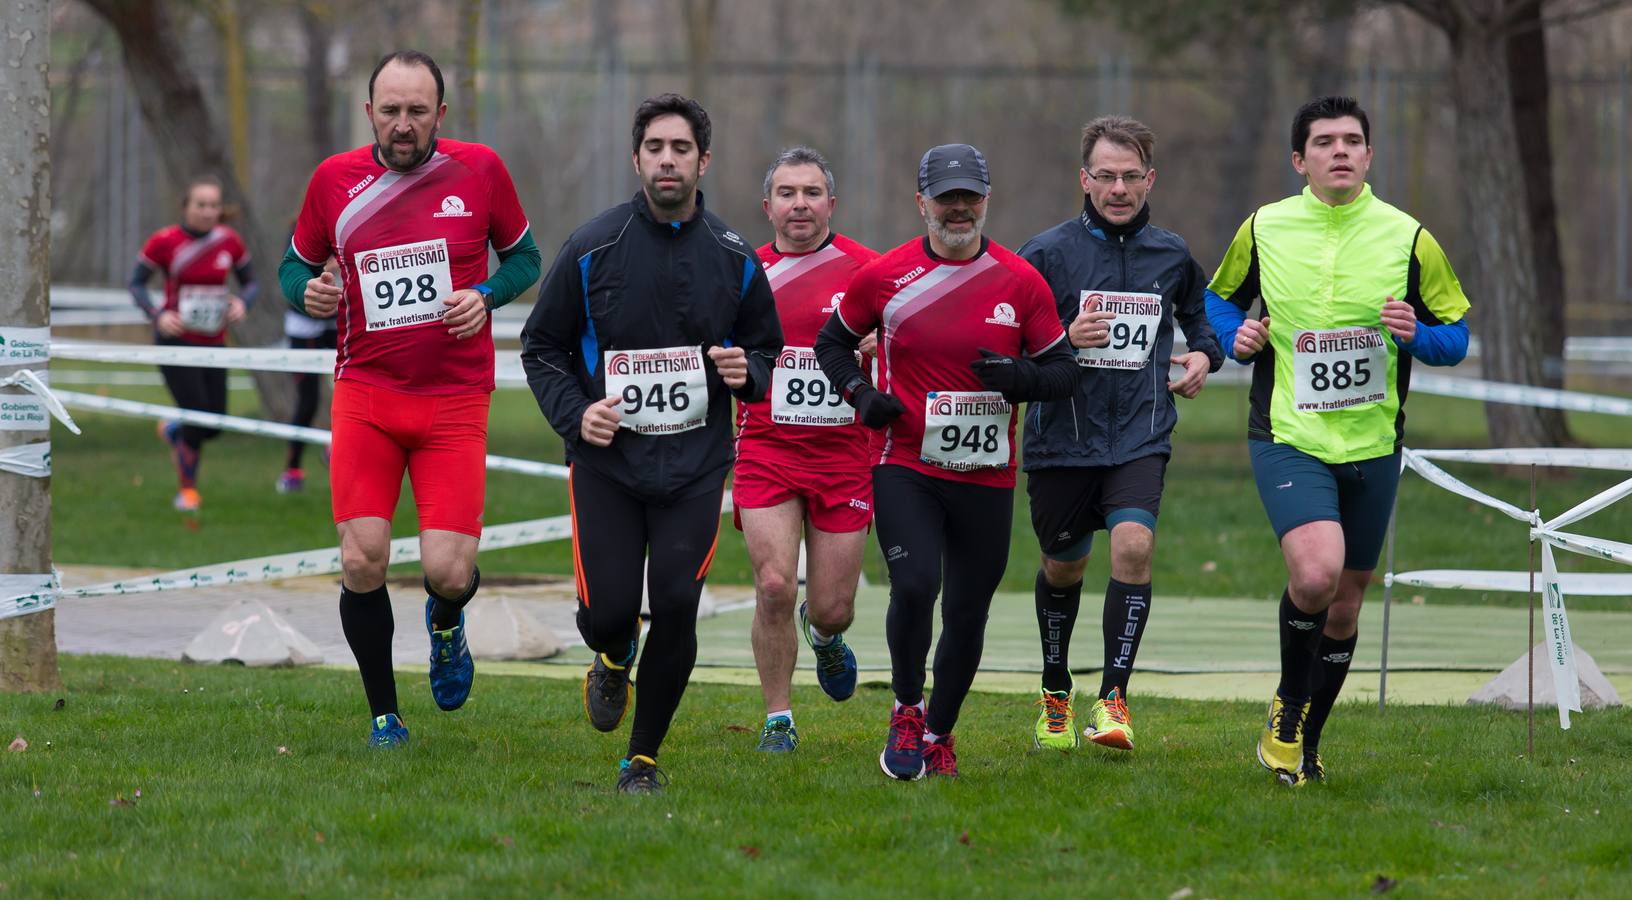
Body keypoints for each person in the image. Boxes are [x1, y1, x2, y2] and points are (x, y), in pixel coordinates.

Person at [278, 50, 542, 748]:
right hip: (366, 393)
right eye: (390, 111)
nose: (403, 125)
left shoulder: (479, 169)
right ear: (369, 113)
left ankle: (447, 621)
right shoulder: (334, 181)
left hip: (454, 399)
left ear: (440, 115)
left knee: (446, 571)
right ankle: (384, 714)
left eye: (416, 111)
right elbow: (293, 263)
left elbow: (526, 258)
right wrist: (305, 291)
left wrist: (485, 297)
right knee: (362, 557)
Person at [522, 93, 783, 795]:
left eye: (681, 149)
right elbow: (541, 347)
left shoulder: (734, 257)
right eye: (656, 148)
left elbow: (766, 349)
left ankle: (642, 758)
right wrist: (578, 417)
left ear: (704, 162)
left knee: (675, 603)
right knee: (609, 612)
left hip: (694, 467)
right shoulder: (592, 246)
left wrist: (747, 372)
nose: (668, 161)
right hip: (607, 463)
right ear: (636, 159)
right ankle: (611, 655)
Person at [1205, 96, 1470, 785]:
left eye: (1353, 140)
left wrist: (1420, 335)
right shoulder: (1264, 228)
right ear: (1300, 160)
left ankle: (1307, 745)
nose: (1341, 151)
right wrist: (1235, 336)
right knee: (1317, 573)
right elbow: (1218, 298)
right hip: (1289, 433)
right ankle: (1288, 708)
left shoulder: (1410, 237)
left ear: (1370, 156)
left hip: (1375, 442)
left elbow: (1456, 336)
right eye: (1324, 142)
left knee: (1347, 603)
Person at [815, 144, 1078, 780]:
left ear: (987, 201)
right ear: (922, 203)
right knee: (913, 586)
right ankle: (906, 709)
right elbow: (832, 345)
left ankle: (938, 734)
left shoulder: (1021, 281)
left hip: (986, 475)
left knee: (967, 610)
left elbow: (1064, 372)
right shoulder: (885, 276)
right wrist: (862, 396)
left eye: (970, 197)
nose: (958, 209)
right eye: (946, 197)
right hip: (905, 462)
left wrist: (1019, 376)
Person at [1018, 116, 1224, 753]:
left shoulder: (1171, 253)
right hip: (1062, 440)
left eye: (1130, 176)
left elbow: (1199, 315)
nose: (1117, 188)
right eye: (1105, 176)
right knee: (1064, 565)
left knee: (1133, 546)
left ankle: (1113, 702)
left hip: (1140, 434)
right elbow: (1009, 341)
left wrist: (1204, 359)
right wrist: (1062, 340)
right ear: (1084, 179)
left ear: (1149, 179)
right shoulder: (1046, 254)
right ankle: (1057, 688)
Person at [736, 147, 880, 753]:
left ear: (831, 204)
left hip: (844, 454)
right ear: (766, 205)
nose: (800, 204)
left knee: (833, 608)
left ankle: (824, 640)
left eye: (812, 192)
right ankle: (778, 719)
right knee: (773, 586)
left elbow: (918, 353)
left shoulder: (871, 272)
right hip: (766, 448)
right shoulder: (741, 272)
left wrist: (881, 350)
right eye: (788, 193)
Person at [129, 175, 257, 512]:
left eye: (214, 205)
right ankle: (187, 492)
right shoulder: (165, 241)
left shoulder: (230, 242)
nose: (207, 211)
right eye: (200, 205)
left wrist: (242, 303)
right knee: (198, 417)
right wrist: (158, 315)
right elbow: (136, 284)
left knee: (215, 424)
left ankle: (174, 430)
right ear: (185, 207)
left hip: (214, 342)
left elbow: (251, 282)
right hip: (176, 341)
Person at [278, 255, 340, 494]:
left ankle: (336, 443)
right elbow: (289, 267)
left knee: (355, 385)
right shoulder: (301, 227)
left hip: (343, 317)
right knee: (308, 400)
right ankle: (292, 469)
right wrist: (324, 268)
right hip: (305, 324)